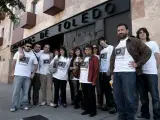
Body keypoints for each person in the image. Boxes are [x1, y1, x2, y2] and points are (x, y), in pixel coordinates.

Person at [110, 23, 151, 120]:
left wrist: (138, 64)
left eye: (122, 30)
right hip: (116, 73)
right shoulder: (117, 44)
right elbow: (113, 59)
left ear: (127, 31)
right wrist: (112, 73)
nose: (120, 32)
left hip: (128, 72)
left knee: (129, 97)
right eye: (118, 30)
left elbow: (147, 52)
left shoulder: (134, 41)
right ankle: (122, 116)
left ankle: (130, 117)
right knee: (118, 97)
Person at [136, 28, 160, 120]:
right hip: (141, 73)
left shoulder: (152, 43)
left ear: (147, 34)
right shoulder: (137, 46)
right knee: (143, 96)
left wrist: (156, 68)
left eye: (143, 32)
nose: (142, 34)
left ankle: (157, 116)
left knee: (155, 96)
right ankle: (145, 114)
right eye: (140, 33)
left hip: (151, 72)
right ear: (138, 35)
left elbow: (157, 55)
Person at [10, 42, 38, 112]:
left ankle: (24, 105)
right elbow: (13, 62)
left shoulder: (32, 54)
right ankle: (14, 106)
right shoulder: (18, 52)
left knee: (25, 92)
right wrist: (12, 72)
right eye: (27, 46)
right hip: (18, 75)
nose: (29, 47)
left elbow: (36, 65)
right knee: (16, 92)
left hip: (27, 77)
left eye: (30, 46)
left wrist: (33, 73)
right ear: (24, 46)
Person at [98, 37, 117, 114]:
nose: (101, 43)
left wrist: (110, 70)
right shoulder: (102, 51)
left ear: (105, 41)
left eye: (102, 41)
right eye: (100, 42)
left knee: (110, 90)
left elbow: (113, 59)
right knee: (105, 90)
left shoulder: (111, 48)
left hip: (108, 73)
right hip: (102, 73)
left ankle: (113, 106)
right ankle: (108, 105)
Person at [80, 44, 99, 117]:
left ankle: (93, 111)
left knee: (91, 96)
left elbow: (96, 70)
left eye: (88, 49)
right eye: (85, 49)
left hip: (90, 80)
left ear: (91, 50)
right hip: (83, 80)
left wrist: (94, 80)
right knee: (85, 96)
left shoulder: (95, 58)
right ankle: (87, 109)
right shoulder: (84, 58)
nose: (87, 50)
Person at [92, 44, 101, 109]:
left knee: (98, 90)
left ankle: (99, 103)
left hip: (98, 75)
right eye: (93, 48)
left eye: (96, 48)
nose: (94, 49)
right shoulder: (90, 56)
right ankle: (93, 103)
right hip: (91, 75)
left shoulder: (99, 56)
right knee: (92, 90)